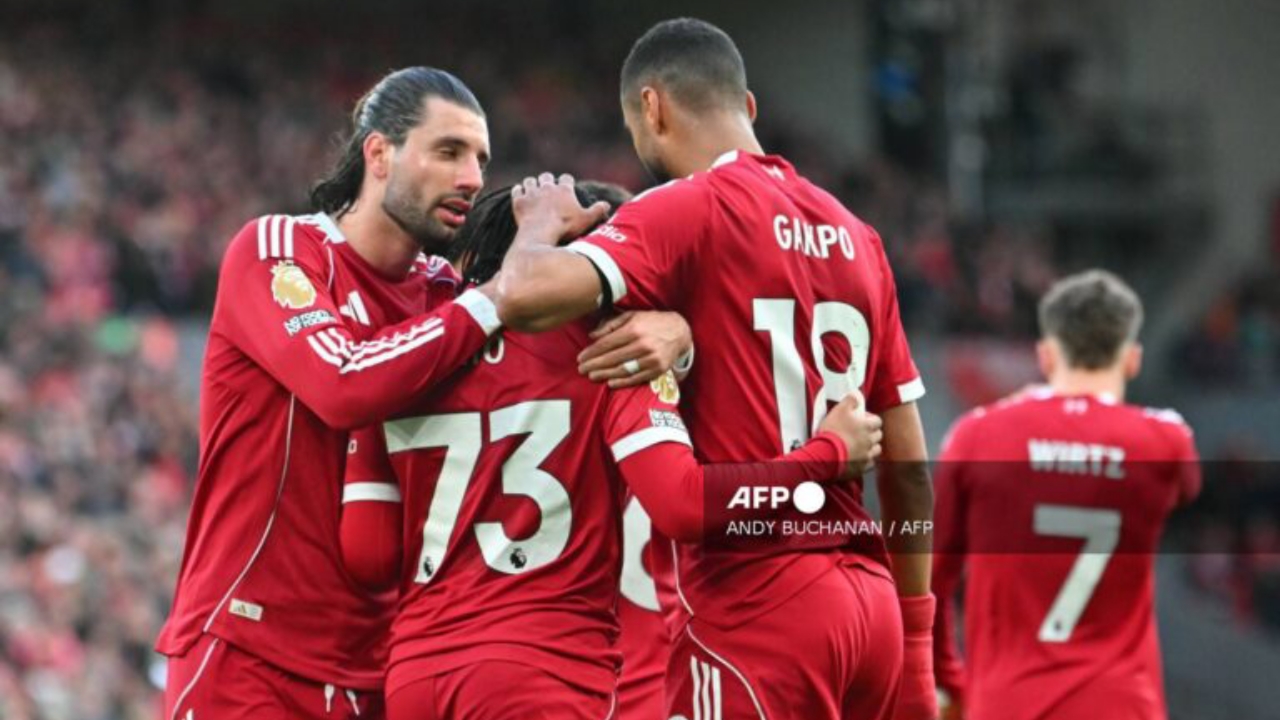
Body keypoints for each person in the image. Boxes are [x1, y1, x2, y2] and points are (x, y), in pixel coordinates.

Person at [158, 67, 690, 720]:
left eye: (480, 159)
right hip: (251, 652)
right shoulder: (279, 252)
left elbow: (557, 351)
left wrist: (674, 328)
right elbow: (343, 382)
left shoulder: (443, 295)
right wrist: (502, 290)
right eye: (448, 151)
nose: (471, 177)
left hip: (384, 673)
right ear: (378, 153)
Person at [492, 18, 936, 720]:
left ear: (651, 107)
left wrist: (540, 224)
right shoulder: (860, 236)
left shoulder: (685, 211)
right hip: (871, 610)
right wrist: (916, 638)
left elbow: (520, 296)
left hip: (760, 609)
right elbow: (908, 470)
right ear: (749, 108)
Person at [338, 183, 885, 720]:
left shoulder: (405, 355)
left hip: (417, 675)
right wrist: (827, 455)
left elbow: (369, 554)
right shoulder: (613, 350)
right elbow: (683, 503)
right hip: (551, 675)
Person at [930, 270, 1201, 720]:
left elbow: (932, 583)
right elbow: (1185, 489)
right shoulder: (1166, 439)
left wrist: (949, 678)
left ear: (1046, 355)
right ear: (1132, 359)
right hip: (1121, 705)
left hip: (1005, 703)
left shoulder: (976, 435)